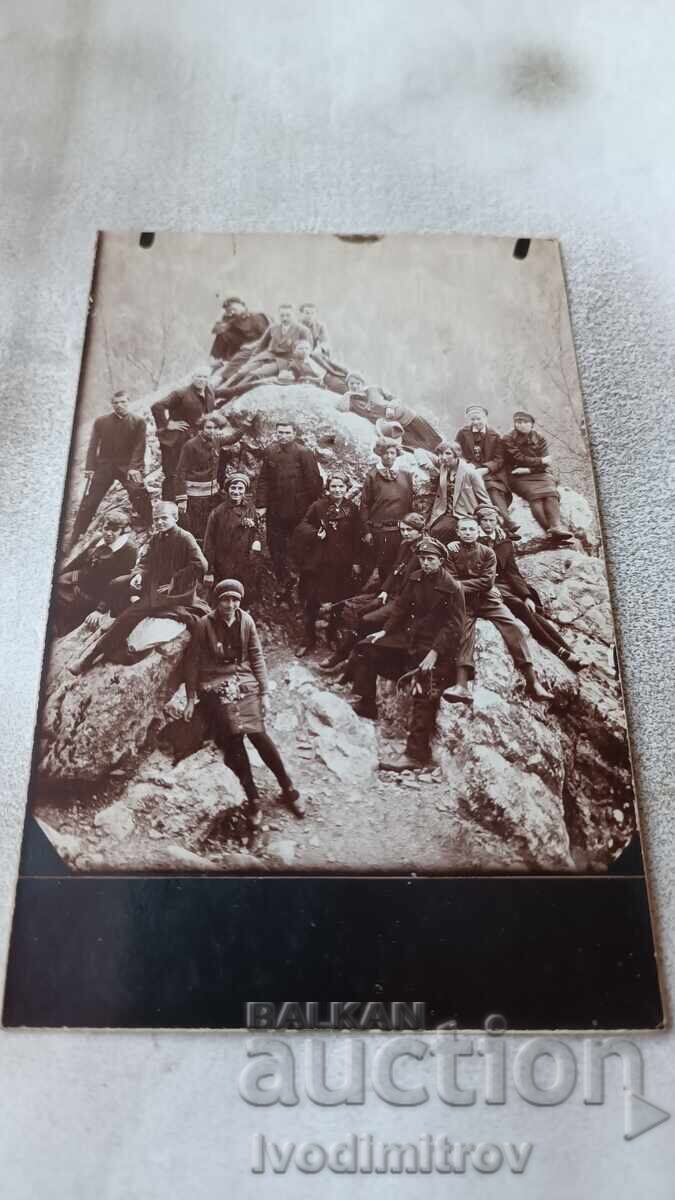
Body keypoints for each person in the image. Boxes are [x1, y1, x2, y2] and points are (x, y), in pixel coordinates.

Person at [183, 578, 304, 831]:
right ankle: (253, 798)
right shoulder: (205, 625)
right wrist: (191, 698)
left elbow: (256, 655)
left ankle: (288, 788)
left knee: (258, 733)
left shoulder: (245, 621)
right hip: (214, 683)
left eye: (235, 600)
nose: (230, 605)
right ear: (217, 601)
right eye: (225, 599)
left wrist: (264, 690)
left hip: (242, 680)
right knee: (234, 737)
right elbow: (192, 662)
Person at [350, 537, 465, 771]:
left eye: (431, 559)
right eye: (422, 559)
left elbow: (454, 627)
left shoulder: (452, 587)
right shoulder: (415, 579)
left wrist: (434, 653)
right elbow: (401, 608)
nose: (425, 563)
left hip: (435, 648)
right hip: (410, 640)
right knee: (366, 648)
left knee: (424, 690)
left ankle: (416, 753)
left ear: (441, 561)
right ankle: (367, 703)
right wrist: (384, 632)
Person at [69, 502, 207, 674]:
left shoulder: (185, 537)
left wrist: (175, 581)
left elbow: (201, 565)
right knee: (117, 583)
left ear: (175, 518)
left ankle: (89, 659)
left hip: (175, 591)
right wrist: (139, 574)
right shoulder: (157, 537)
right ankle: (107, 612)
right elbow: (145, 561)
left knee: (130, 615)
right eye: (157, 519)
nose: (160, 523)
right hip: (155, 581)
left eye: (164, 518)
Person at [441, 514, 553, 704]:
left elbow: (487, 582)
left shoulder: (487, 553)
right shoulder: (450, 552)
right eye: (464, 530)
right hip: (463, 603)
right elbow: (450, 581)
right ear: (458, 533)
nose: (468, 533)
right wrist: (461, 586)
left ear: (478, 532)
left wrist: (462, 584)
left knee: (513, 626)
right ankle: (461, 685)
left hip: (487, 601)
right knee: (463, 632)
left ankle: (533, 682)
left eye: (471, 529)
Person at [475, 505, 583, 670]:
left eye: (492, 520)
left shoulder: (504, 541)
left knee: (532, 610)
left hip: (505, 584)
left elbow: (512, 572)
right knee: (519, 606)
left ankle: (570, 654)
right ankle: (558, 650)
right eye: (485, 521)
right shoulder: (473, 540)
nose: (489, 524)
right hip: (487, 585)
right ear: (479, 522)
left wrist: (526, 595)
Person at [318, 511, 425, 673]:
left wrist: (395, 597)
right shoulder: (405, 545)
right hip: (391, 594)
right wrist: (384, 591)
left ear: (420, 530)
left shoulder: (425, 550)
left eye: (410, 530)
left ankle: (345, 657)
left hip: (404, 600)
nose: (405, 533)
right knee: (358, 612)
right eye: (403, 530)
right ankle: (346, 655)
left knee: (367, 620)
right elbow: (395, 570)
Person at [293, 473, 364, 655]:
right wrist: (315, 532)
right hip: (318, 563)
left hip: (341, 564)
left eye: (341, 486)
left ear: (347, 489)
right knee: (311, 600)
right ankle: (308, 638)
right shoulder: (318, 506)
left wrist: (356, 561)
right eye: (334, 486)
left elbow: (357, 537)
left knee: (338, 601)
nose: (337, 490)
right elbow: (302, 526)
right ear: (328, 488)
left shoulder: (352, 509)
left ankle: (331, 633)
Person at [71, 391, 152, 543]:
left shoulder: (138, 421)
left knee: (138, 491)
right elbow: (93, 445)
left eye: (123, 402)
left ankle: (149, 522)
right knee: (90, 500)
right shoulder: (101, 421)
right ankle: (77, 533)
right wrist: (90, 467)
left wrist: (134, 467)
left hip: (128, 467)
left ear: (129, 402)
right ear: (112, 404)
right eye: (116, 403)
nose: (119, 406)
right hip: (105, 466)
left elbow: (139, 446)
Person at [255, 420, 323, 601]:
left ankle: (302, 587)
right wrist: (261, 505)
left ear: (294, 434)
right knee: (275, 547)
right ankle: (284, 582)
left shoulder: (304, 453)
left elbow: (314, 483)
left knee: (299, 548)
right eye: (280, 433)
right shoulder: (270, 451)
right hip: (275, 511)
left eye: (287, 433)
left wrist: (314, 511)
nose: (283, 436)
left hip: (299, 512)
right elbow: (263, 480)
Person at [56, 509, 137, 635]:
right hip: (77, 579)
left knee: (70, 618)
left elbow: (118, 583)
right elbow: (78, 561)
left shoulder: (129, 550)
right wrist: (58, 575)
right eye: (106, 528)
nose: (109, 533)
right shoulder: (98, 539)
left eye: (114, 530)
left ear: (122, 531)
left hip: (94, 594)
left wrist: (100, 609)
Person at [501, 411, 574, 542]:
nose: (521, 425)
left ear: (532, 424)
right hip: (516, 474)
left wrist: (529, 469)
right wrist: (540, 461)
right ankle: (549, 530)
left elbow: (547, 462)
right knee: (535, 496)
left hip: (537, 472)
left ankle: (556, 526)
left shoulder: (540, 438)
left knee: (551, 493)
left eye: (525, 422)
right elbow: (519, 458)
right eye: (518, 422)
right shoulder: (508, 438)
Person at [454, 404, 520, 539]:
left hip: (490, 472)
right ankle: (503, 526)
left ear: (485, 418)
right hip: (469, 470)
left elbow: (499, 459)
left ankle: (506, 521)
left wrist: (485, 469)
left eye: (478, 419)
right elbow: (457, 452)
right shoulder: (462, 433)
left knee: (492, 488)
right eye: (472, 419)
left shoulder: (494, 435)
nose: (476, 422)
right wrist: (467, 465)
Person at [151, 370, 216, 500]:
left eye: (204, 376)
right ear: (192, 378)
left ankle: (184, 505)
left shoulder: (209, 392)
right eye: (198, 376)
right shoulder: (180, 393)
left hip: (194, 439)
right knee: (173, 473)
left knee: (189, 472)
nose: (201, 379)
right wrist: (167, 424)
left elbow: (230, 391)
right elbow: (157, 406)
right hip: (176, 440)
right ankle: (168, 506)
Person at [219, 304, 311, 395]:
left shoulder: (303, 330)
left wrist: (292, 368)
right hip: (268, 355)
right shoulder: (273, 327)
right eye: (282, 316)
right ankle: (221, 390)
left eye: (288, 315)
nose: (285, 318)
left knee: (255, 374)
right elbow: (260, 346)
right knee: (242, 371)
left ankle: (231, 393)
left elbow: (307, 350)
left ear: (294, 315)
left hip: (284, 360)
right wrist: (252, 360)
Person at [204, 473, 262, 609]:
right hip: (224, 565)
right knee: (223, 597)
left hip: (245, 564)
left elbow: (257, 531)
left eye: (240, 488)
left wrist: (256, 541)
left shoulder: (250, 509)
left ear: (245, 491)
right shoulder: (217, 513)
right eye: (233, 488)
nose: (236, 492)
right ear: (227, 490)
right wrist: (209, 571)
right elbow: (209, 543)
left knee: (243, 597)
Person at [360, 439, 414, 583]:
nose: (389, 456)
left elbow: (411, 502)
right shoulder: (372, 475)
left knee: (402, 562)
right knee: (384, 565)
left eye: (392, 453)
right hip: (381, 530)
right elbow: (364, 504)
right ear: (380, 454)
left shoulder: (406, 475)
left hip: (402, 529)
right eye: (385, 453)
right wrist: (366, 531)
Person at [336, 382, 442, 452]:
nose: (355, 386)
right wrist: (348, 394)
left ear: (362, 383)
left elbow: (396, 399)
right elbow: (341, 409)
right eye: (351, 384)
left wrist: (391, 406)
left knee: (434, 441)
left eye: (357, 383)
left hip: (408, 417)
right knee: (419, 446)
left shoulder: (374, 389)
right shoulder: (354, 402)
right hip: (396, 427)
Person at [426, 441, 491, 542]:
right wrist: (428, 466)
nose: (443, 457)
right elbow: (419, 452)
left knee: (439, 531)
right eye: (440, 454)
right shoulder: (444, 466)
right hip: (443, 511)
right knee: (426, 529)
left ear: (457, 455)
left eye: (448, 453)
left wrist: (488, 520)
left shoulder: (470, 472)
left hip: (463, 514)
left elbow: (484, 499)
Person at [210, 296, 269, 381]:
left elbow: (267, 335)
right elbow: (216, 330)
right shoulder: (232, 318)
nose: (233, 311)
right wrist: (222, 313)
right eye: (230, 310)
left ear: (242, 305)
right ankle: (220, 360)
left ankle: (226, 374)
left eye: (234, 308)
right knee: (223, 334)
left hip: (257, 347)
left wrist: (254, 346)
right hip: (240, 349)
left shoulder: (256, 317)